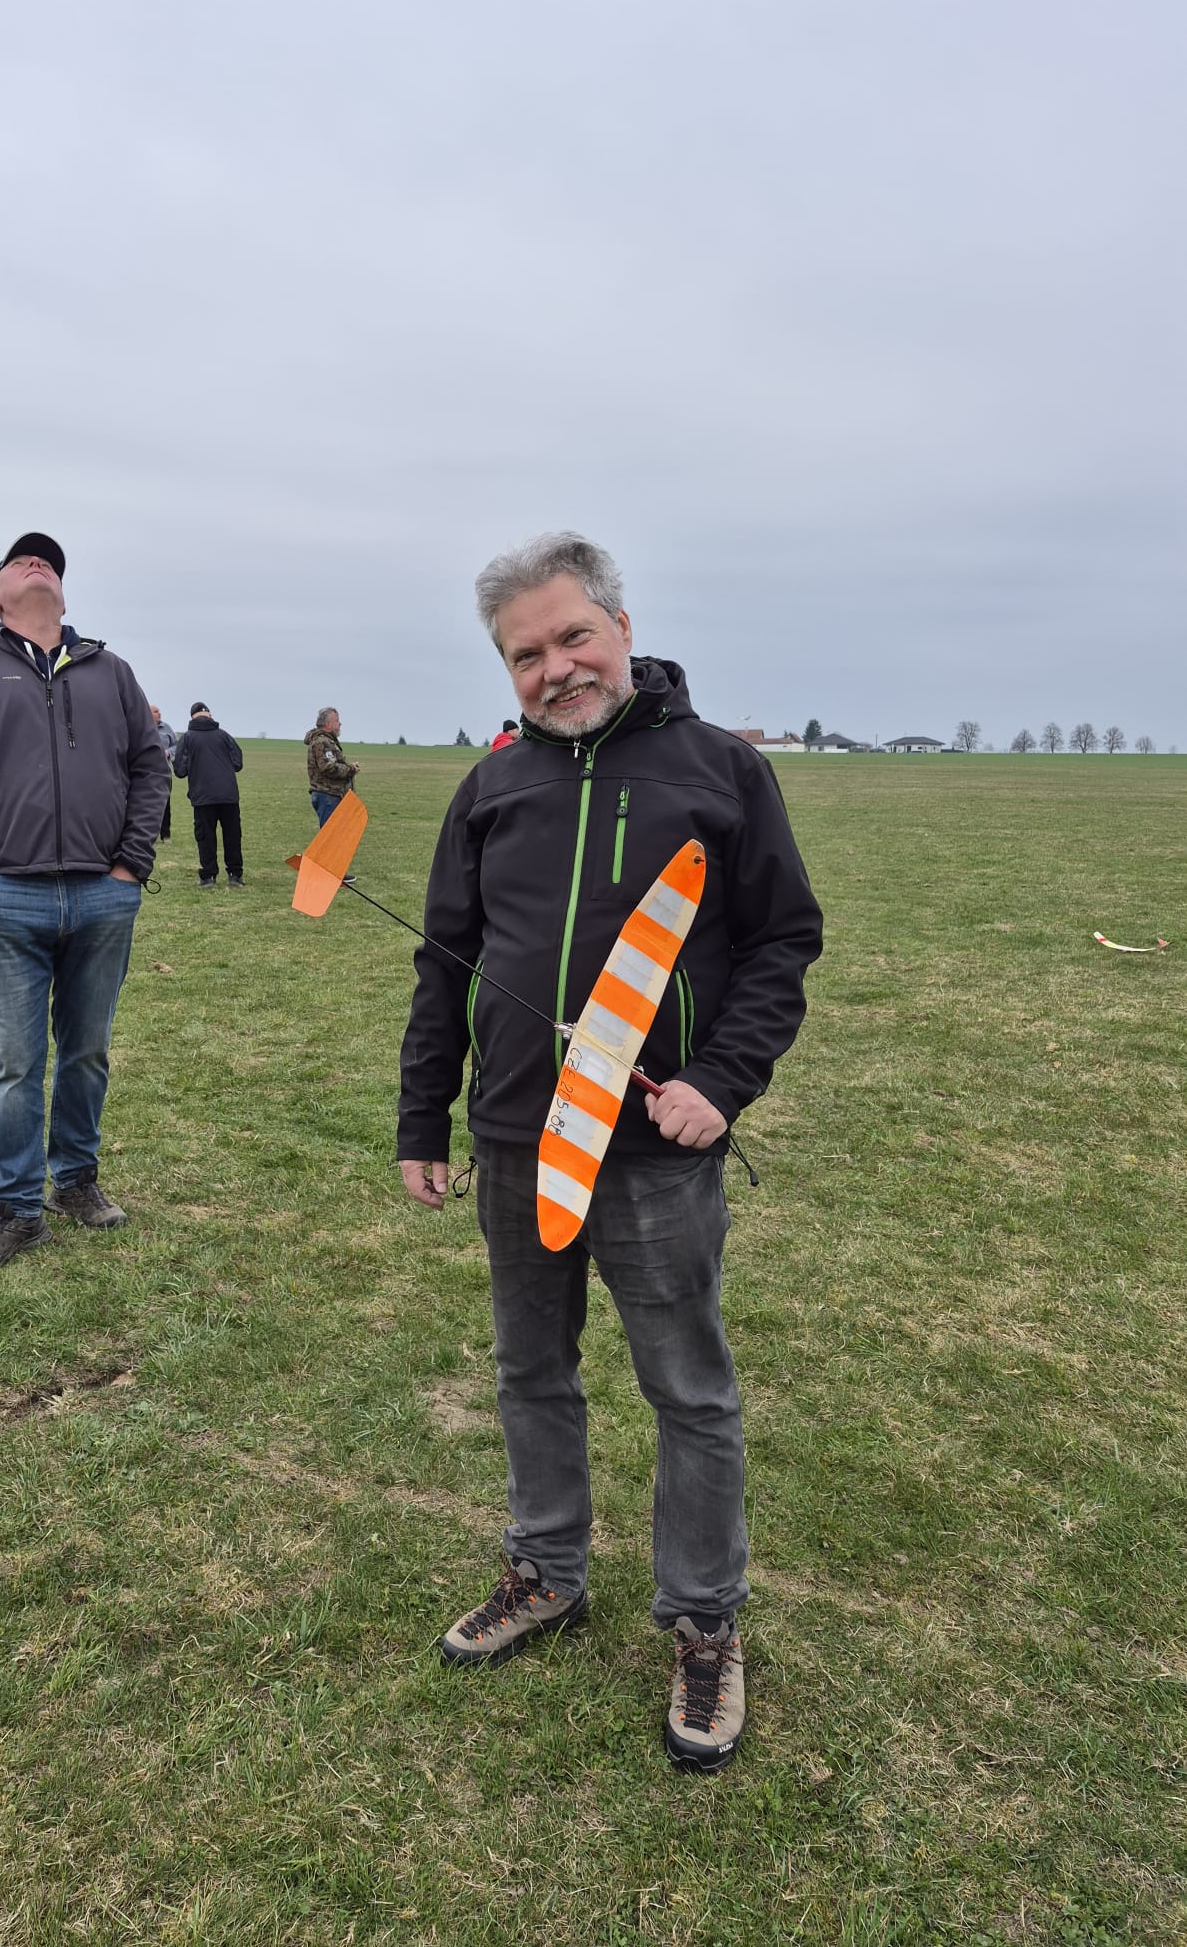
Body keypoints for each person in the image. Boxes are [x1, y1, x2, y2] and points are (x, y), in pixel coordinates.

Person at [396, 531, 822, 1773]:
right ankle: (546, 1567)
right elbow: (444, 963)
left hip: (653, 1153)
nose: (556, 668)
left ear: (622, 628)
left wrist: (720, 1083)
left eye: (573, 636)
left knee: (688, 1388)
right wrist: (425, 1117)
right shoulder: (491, 786)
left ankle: (704, 1619)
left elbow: (782, 941)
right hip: (517, 1139)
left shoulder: (720, 771)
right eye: (525, 654)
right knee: (531, 1368)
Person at [0, 533, 170, 1271]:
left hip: (102, 894)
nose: (38, 564)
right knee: (14, 1064)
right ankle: (18, 1210)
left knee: (87, 1052)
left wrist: (130, 865)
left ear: (62, 592)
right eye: (21, 561)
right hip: (6, 898)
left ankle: (76, 1181)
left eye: (49, 563)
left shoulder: (111, 671)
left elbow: (150, 767)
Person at [172, 701, 245, 887]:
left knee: (205, 837)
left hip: (202, 796)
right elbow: (238, 763)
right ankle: (235, 875)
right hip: (228, 795)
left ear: (192, 717)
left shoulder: (187, 738)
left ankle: (208, 876)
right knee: (232, 835)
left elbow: (180, 770)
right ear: (209, 715)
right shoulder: (224, 735)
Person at [304, 706, 359, 829]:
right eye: (337, 721)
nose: (340, 724)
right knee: (331, 836)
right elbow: (329, 768)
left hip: (330, 796)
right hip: (328, 795)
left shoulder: (326, 741)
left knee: (337, 834)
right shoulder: (322, 741)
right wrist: (350, 769)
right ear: (328, 724)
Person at [150, 706, 177, 840]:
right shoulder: (142, 727)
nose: (159, 713)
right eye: (156, 712)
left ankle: (165, 834)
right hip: (147, 772)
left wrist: (168, 752)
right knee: (148, 803)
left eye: (159, 711)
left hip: (165, 772)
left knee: (165, 802)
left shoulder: (167, 728)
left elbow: (176, 745)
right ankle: (149, 834)